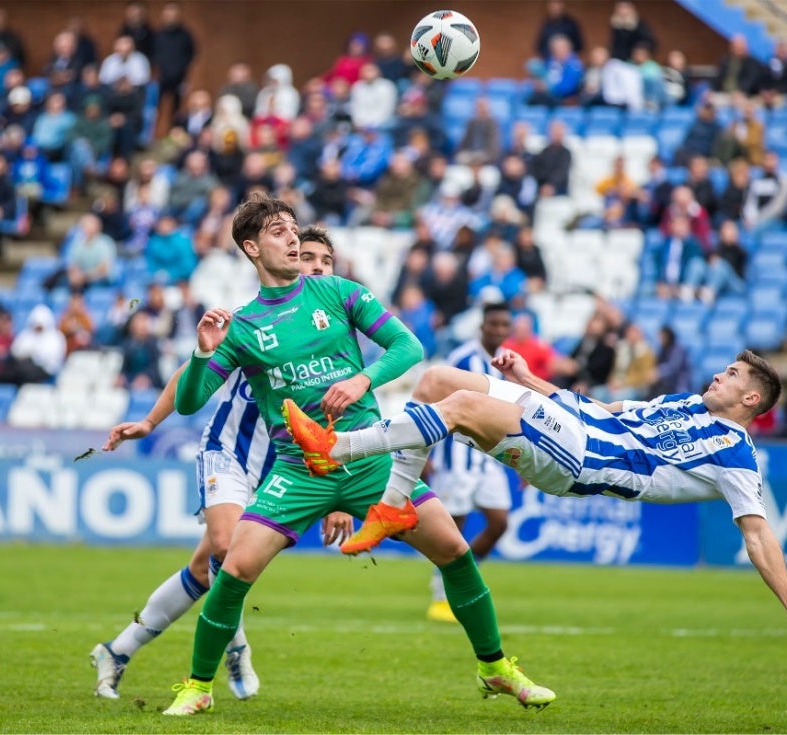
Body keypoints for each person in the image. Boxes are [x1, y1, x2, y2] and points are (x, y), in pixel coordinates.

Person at [161, 194, 553, 716]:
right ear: (251, 247)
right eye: (278, 231)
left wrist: (361, 377)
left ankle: (495, 669)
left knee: (455, 552)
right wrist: (204, 350)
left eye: (294, 228)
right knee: (234, 569)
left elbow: (408, 348)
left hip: (371, 459)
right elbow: (189, 402)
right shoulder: (243, 326)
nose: (292, 237)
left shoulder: (340, 293)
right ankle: (198, 687)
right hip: (300, 471)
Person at [283, 349, 787, 655]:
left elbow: (757, 531)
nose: (720, 373)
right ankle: (394, 505)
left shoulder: (735, 452)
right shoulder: (684, 402)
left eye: (732, 374)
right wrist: (528, 379)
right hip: (575, 422)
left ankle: (337, 449)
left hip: (582, 460)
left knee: (460, 406)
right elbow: (608, 408)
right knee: (434, 381)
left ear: (751, 399)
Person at [90, 228, 351, 700]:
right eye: (306, 256)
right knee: (228, 550)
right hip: (229, 451)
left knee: (204, 569)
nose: (315, 266)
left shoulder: (336, 327)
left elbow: (344, 417)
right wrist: (150, 421)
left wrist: (339, 492)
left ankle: (117, 650)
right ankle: (235, 647)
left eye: (324, 261)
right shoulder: (251, 321)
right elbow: (192, 370)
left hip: (287, 467)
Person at [425, 301, 517, 623]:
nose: (499, 330)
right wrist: (427, 452)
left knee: (499, 523)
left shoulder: (509, 362)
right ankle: (441, 596)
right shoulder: (463, 359)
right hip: (458, 458)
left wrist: (522, 461)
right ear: (482, 326)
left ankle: (467, 575)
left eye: (505, 325)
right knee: (453, 531)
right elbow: (436, 403)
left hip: (490, 458)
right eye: (494, 324)